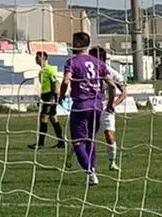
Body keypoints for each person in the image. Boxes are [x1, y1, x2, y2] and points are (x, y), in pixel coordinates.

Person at [62, 37, 106, 186]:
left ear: (77, 44)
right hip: (97, 105)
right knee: (90, 140)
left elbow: (66, 80)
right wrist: (112, 102)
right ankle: (91, 174)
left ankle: (91, 173)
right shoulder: (98, 62)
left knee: (77, 142)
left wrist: (61, 95)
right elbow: (112, 84)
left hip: (81, 105)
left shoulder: (72, 62)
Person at [94, 45, 127, 170]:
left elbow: (124, 92)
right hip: (90, 107)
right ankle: (72, 156)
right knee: (86, 136)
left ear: (101, 58)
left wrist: (113, 104)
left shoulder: (111, 73)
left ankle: (112, 162)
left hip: (105, 108)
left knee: (109, 134)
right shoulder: (87, 70)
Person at [33, 50, 65, 150]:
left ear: (43, 59)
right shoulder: (42, 71)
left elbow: (56, 82)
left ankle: (40, 143)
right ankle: (61, 142)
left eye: (37, 57)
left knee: (43, 118)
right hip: (46, 96)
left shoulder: (49, 69)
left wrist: (56, 96)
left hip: (50, 96)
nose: (36, 59)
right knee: (53, 118)